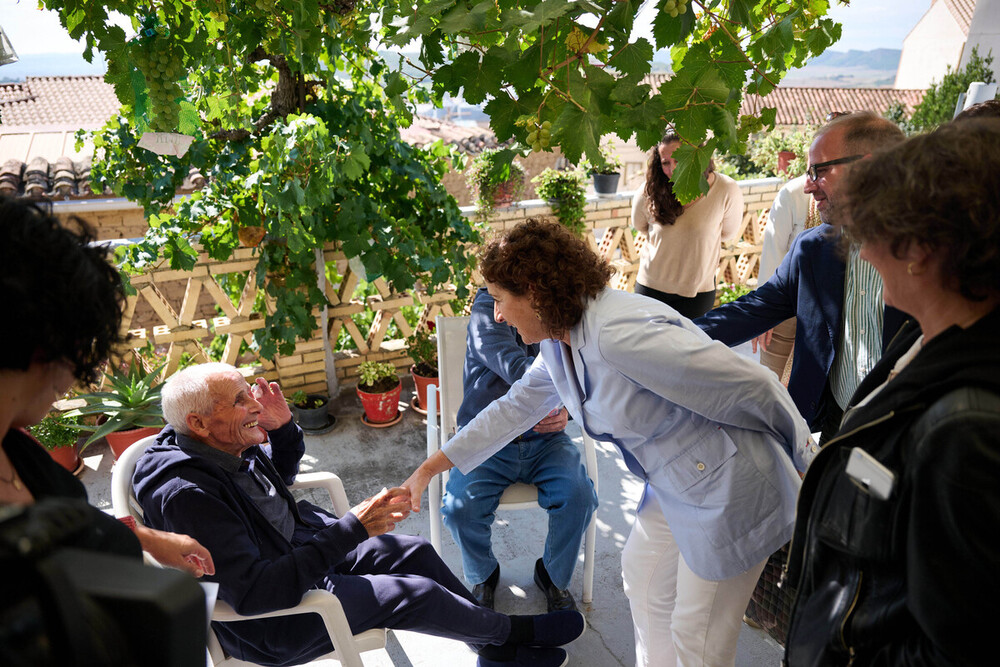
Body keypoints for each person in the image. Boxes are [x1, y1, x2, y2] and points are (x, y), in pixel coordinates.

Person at [402, 219, 815, 667]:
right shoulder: (559, 340)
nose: (496, 315)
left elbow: (754, 385)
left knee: (697, 634)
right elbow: (513, 408)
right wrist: (430, 468)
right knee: (642, 575)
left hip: (727, 484)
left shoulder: (618, 332)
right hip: (674, 478)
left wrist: (809, 464)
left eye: (501, 300)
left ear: (535, 292)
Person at [133, 362, 585, 667]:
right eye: (238, 401)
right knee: (414, 594)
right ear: (197, 423)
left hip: (297, 552)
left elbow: (279, 483)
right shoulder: (188, 494)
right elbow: (255, 594)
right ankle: (513, 636)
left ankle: (494, 648)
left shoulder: (221, 442)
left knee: (415, 552)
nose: (253, 405)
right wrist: (351, 529)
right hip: (275, 617)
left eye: (248, 393)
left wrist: (283, 428)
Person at [784, 118, 1000, 666]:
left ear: (922, 248)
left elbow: (958, 644)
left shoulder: (966, 428)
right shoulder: (927, 336)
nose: (865, 249)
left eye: (878, 227)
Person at [0, 196, 213, 577]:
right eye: (86, 346)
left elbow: (69, 532)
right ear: (52, 343)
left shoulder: (15, 444)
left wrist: (146, 538)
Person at [695, 112, 908, 442]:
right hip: (838, 428)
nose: (808, 186)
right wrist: (664, 332)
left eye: (819, 171)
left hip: (910, 436)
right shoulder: (813, 249)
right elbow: (748, 312)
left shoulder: (937, 249)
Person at [442, 287, 598, 611]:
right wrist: (562, 390)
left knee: (579, 496)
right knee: (460, 509)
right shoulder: (489, 305)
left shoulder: (556, 305)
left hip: (545, 441)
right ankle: (484, 575)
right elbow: (518, 369)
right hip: (488, 440)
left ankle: (552, 576)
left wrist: (567, 410)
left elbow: (581, 369)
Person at [630, 131, 744, 319]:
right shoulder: (649, 190)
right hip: (650, 289)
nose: (672, 169)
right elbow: (640, 226)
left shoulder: (726, 189)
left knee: (690, 347)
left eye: (677, 159)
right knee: (648, 349)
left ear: (696, 155)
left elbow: (727, 233)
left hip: (697, 294)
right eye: (665, 162)